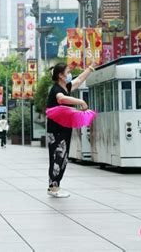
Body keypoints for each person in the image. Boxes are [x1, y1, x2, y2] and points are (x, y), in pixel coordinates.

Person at [46, 63, 95, 198]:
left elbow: (79, 80)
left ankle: (56, 186)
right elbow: (61, 99)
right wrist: (80, 102)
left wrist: (90, 68)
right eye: (67, 72)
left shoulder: (65, 86)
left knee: (63, 158)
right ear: (61, 75)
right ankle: (53, 187)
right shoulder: (56, 89)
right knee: (57, 156)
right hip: (56, 131)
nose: (69, 74)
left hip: (65, 128)